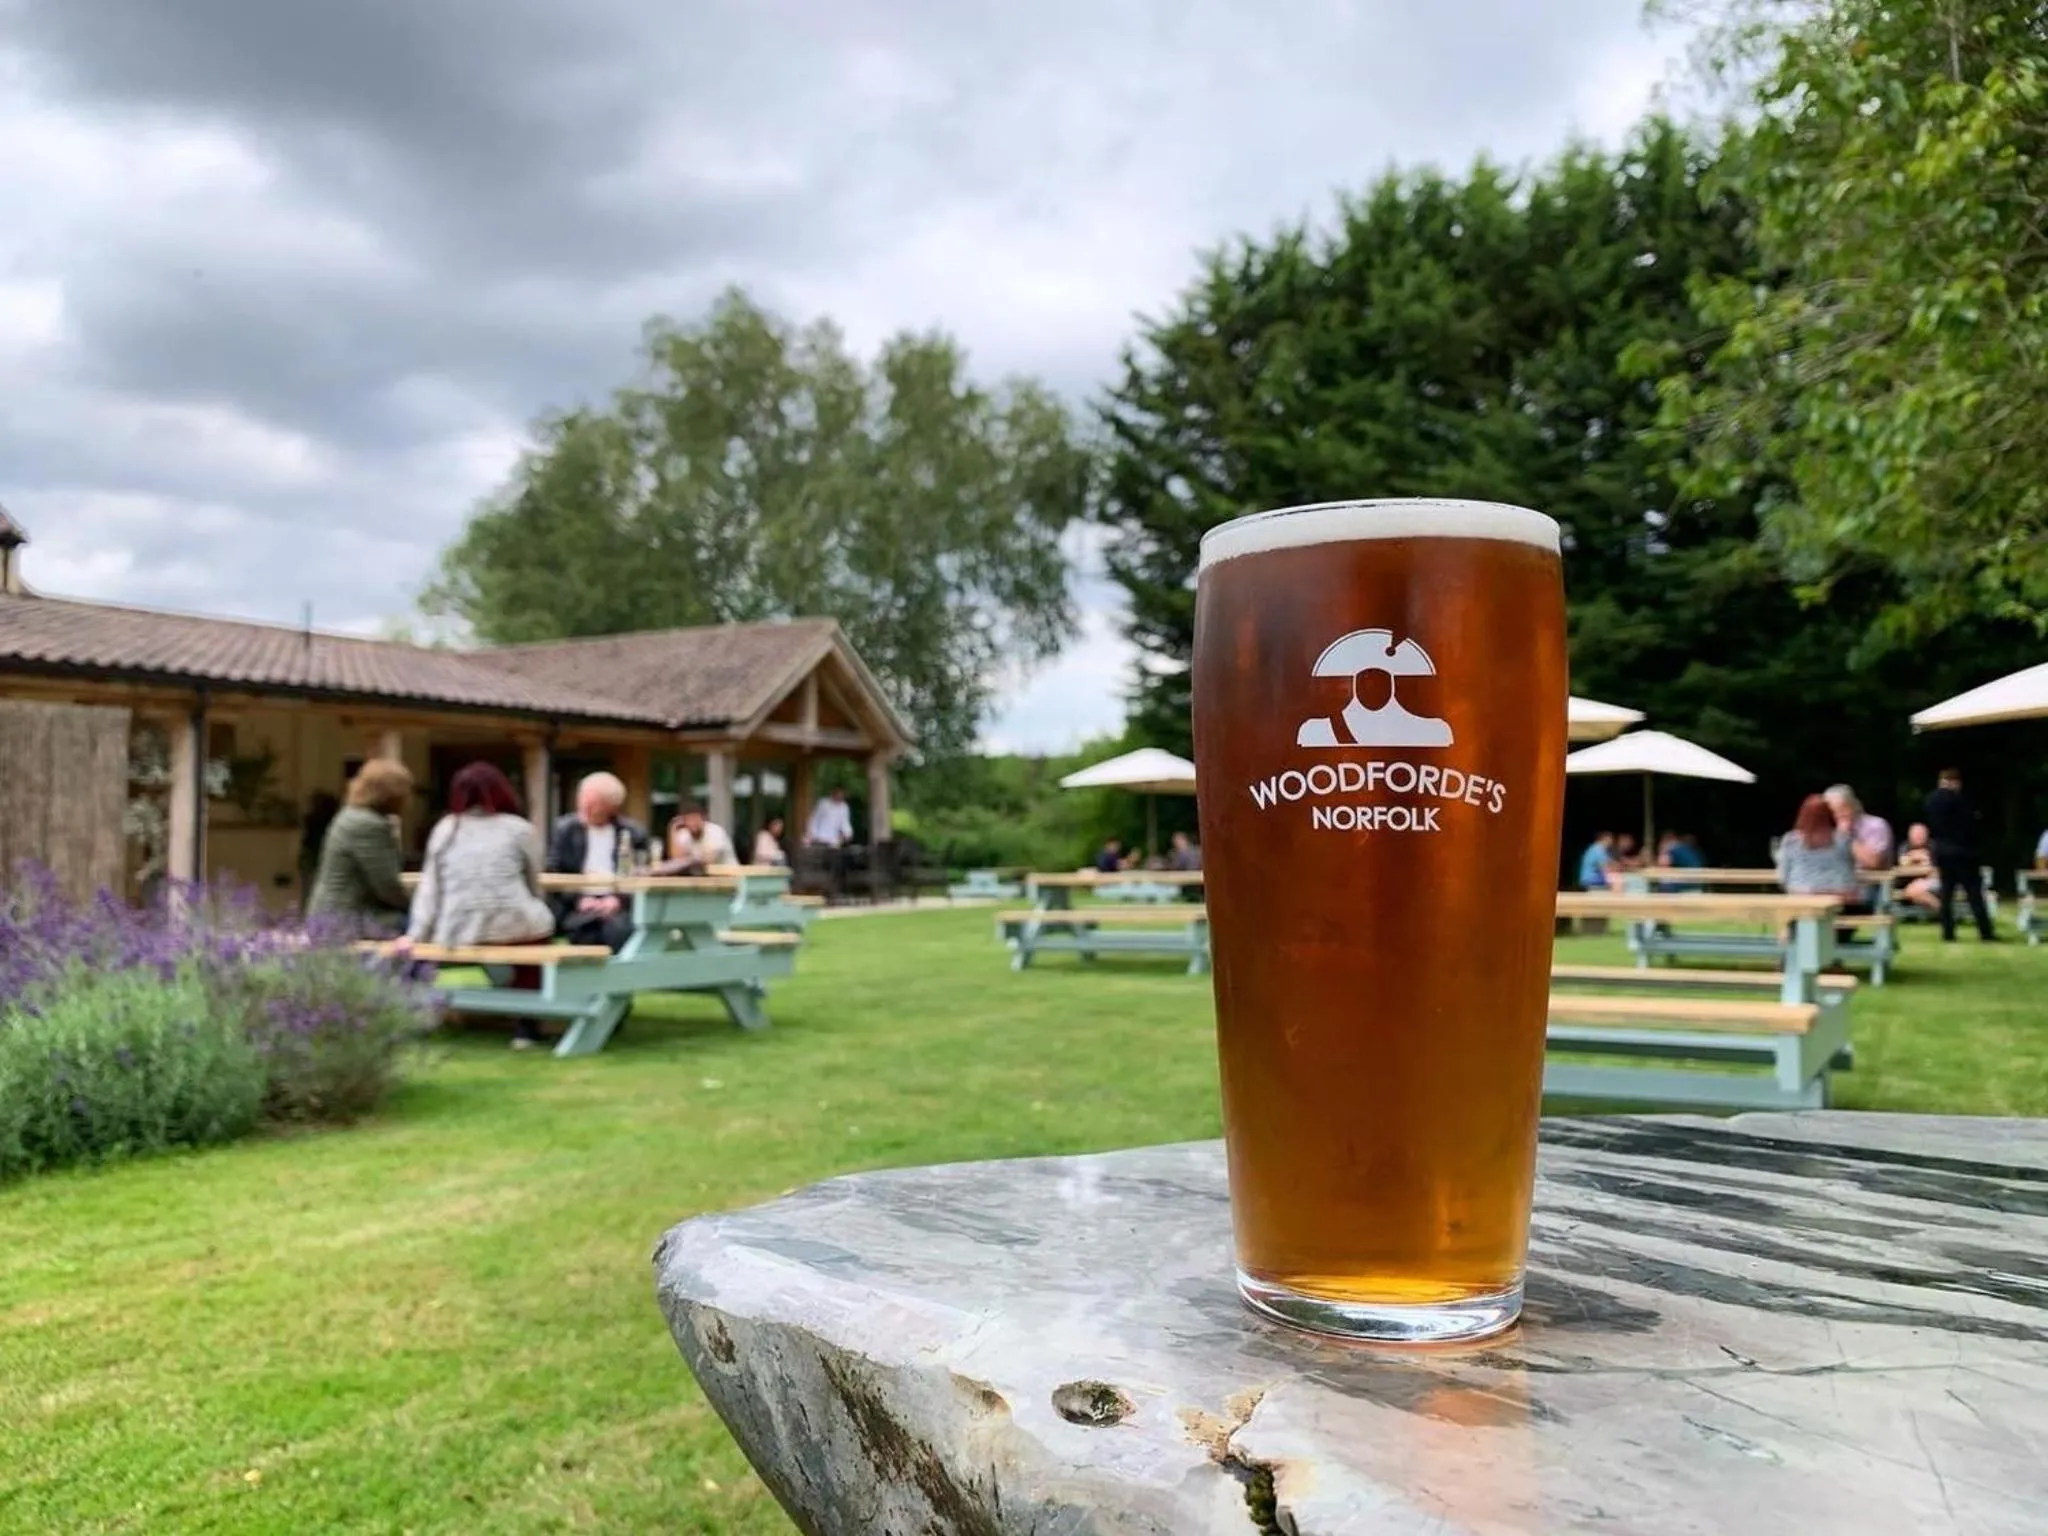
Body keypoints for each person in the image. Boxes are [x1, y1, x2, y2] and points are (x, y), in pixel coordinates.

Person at [409, 762, 557, 1048]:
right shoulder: (519, 829)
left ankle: (418, 1015)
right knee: (537, 933)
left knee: (424, 954)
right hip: (514, 925)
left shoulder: (445, 829)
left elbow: (430, 890)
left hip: (458, 928)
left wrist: (417, 935)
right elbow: (533, 882)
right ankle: (526, 1026)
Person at [306, 759, 413, 936]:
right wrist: (418, 907)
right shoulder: (369, 825)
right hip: (346, 920)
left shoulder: (350, 816)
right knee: (420, 924)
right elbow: (387, 887)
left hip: (328, 916)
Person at [546, 771, 648, 952]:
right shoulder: (564, 830)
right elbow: (554, 870)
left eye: (593, 805)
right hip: (577, 904)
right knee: (586, 930)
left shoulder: (632, 833)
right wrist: (579, 899)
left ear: (612, 808)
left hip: (617, 904)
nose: (585, 808)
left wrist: (618, 899)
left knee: (617, 930)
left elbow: (640, 873)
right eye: (583, 801)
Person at [1923, 768, 1996, 942]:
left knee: (1946, 894)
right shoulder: (1960, 800)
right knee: (1974, 893)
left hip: (1941, 851)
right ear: (1954, 781)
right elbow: (1970, 827)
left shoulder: (1930, 800)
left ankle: (1948, 932)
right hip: (1963, 853)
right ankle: (1985, 931)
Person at [1774, 793, 1859, 899]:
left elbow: (1783, 876)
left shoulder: (1790, 840)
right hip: (1841, 898)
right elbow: (1851, 867)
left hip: (1802, 897)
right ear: (1829, 814)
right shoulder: (1842, 839)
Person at [1825, 783, 1894, 906]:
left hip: (1868, 887)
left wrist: (1846, 837)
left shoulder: (1876, 826)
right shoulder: (1829, 830)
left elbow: (1874, 862)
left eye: (1835, 810)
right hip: (1833, 886)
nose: (1832, 815)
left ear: (1849, 807)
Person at [297, 789, 341, 911]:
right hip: (324, 857)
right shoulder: (334, 821)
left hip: (310, 857)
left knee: (307, 892)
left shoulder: (309, 819)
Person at [664, 801, 738, 872]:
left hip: (729, 876)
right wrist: (672, 829)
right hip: (703, 878)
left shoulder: (715, 831)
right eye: (689, 820)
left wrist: (688, 860)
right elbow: (676, 859)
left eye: (695, 819)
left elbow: (710, 859)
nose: (692, 823)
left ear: (703, 819)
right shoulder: (685, 834)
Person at [1895, 822, 1942, 914]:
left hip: (1934, 881)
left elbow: (1935, 869)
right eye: (1915, 834)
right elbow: (1903, 864)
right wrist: (1919, 859)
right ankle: (1944, 911)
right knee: (1911, 891)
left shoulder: (1934, 847)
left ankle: (1943, 911)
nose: (1918, 837)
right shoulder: (1904, 847)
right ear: (1909, 835)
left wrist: (1916, 859)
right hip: (1909, 882)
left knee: (1911, 891)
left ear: (1927, 835)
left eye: (1921, 834)